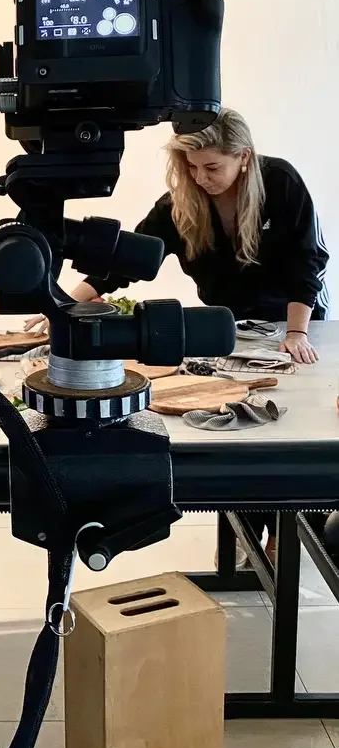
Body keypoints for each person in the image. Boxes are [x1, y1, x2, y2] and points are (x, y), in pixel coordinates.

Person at [26, 107, 329, 560]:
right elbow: (127, 261)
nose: (201, 177)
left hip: (291, 320)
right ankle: (250, 531)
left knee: (289, 426)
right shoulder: (180, 204)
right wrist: (64, 306)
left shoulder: (281, 182)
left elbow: (308, 260)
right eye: (191, 167)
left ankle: (284, 531)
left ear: (243, 157)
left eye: (212, 167)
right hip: (226, 326)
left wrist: (296, 332)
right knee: (240, 423)